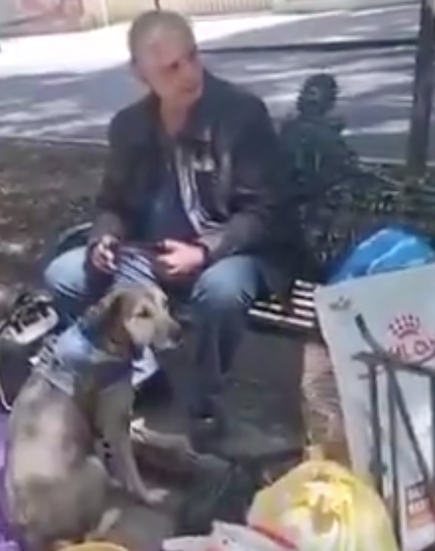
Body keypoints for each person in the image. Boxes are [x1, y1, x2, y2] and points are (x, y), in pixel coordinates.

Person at [42, 9, 287, 451]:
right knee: (64, 274)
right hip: (151, 257)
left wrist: (205, 252)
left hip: (236, 252)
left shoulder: (241, 115)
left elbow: (266, 213)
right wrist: (105, 237)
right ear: (141, 75)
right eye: (170, 68)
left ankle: (203, 404)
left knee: (220, 290)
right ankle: (142, 375)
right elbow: (112, 204)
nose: (188, 73)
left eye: (191, 57)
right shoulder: (130, 127)